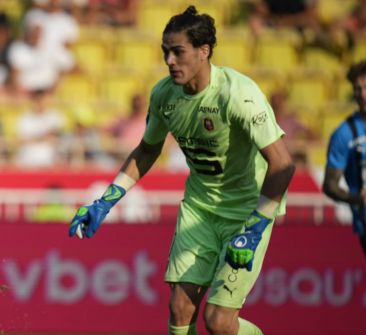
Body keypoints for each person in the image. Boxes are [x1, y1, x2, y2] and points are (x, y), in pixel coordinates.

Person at [68, 6, 295, 335]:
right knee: (180, 308)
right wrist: (105, 201)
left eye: (178, 52)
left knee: (218, 322)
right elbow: (148, 149)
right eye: (165, 52)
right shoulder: (164, 95)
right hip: (199, 210)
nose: (170, 61)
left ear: (204, 52)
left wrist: (256, 226)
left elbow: (283, 164)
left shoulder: (238, 94)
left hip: (246, 212)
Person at [323, 60, 366, 256]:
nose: (362, 95)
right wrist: (357, 198)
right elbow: (330, 185)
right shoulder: (344, 133)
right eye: (358, 89)